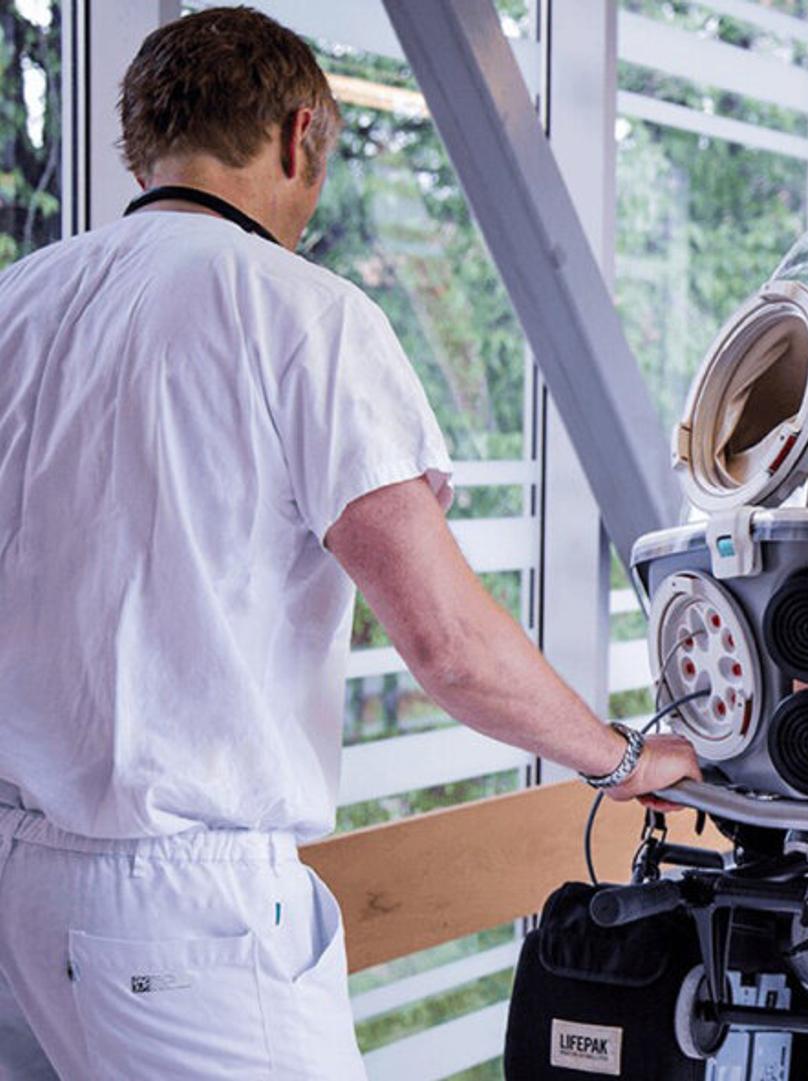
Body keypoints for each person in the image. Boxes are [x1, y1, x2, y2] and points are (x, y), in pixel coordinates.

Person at [0, 9, 698, 1077]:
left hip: (17, 885)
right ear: (300, 135)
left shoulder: (21, 303)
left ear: (145, 143)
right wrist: (623, 758)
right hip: (183, 910)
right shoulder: (301, 315)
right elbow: (448, 645)